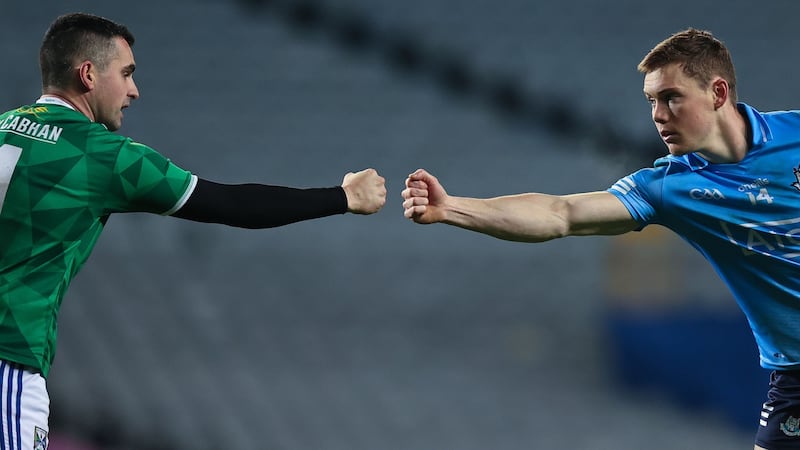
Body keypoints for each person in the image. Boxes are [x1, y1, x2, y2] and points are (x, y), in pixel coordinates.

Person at [0, 12, 386, 449]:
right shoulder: (104, 156)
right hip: (8, 359)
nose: (133, 90)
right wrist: (343, 197)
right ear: (88, 74)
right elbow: (233, 204)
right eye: (126, 74)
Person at [403, 28, 800, 450]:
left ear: (718, 92)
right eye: (651, 101)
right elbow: (561, 213)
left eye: (670, 97)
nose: (658, 115)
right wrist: (452, 209)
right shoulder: (668, 188)